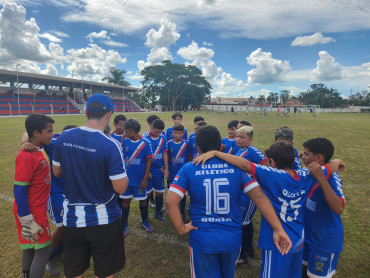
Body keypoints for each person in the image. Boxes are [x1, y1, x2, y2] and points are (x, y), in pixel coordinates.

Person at [193, 141, 345, 278]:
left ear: (272, 162)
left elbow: (245, 164)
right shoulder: (307, 175)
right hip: (298, 240)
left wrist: (215, 152)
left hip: (278, 243)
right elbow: (328, 167)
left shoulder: (273, 175)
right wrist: (337, 161)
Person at [167, 126, 292, 278]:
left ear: (198, 148)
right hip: (231, 238)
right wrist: (278, 228)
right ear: (221, 146)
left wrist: (180, 227)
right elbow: (260, 197)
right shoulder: (237, 168)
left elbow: (171, 201)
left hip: (203, 238)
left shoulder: (189, 168)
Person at [53, 94, 128, 278]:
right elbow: (120, 188)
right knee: (105, 272)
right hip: (104, 219)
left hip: (73, 218)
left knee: (73, 272)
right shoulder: (111, 144)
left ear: (86, 112)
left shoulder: (64, 136)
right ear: (109, 114)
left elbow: (57, 172)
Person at [21, 124, 78, 276]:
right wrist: (25, 142)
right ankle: (49, 256)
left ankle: (61, 250)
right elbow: (28, 134)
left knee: (71, 224)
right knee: (62, 227)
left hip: (70, 192)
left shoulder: (76, 143)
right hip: (55, 194)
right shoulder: (54, 141)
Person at [14, 113, 54, 278]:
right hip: (32, 213)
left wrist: (25, 140)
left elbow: (27, 134)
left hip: (33, 210)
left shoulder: (38, 147)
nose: (52, 134)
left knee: (30, 247)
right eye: (49, 131)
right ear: (36, 133)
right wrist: (26, 218)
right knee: (43, 251)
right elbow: (19, 189)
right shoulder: (26, 156)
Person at [300, 138, 345, 278]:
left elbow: (338, 208)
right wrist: (336, 162)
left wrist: (321, 178)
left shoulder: (331, 178)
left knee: (315, 275)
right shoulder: (309, 172)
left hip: (324, 241)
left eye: (306, 154)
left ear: (319, 158)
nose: (303, 157)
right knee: (303, 268)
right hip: (308, 234)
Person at [234, 125, 268, 264]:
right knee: (245, 222)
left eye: (242, 137)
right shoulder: (240, 150)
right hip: (241, 191)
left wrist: (257, 181)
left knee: (242, 223)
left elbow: (266, 166)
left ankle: (242, 255)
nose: (238, 139)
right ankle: (248, 249)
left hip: (249, 193)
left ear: (250, 139)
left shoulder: (253, 152)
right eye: (237, 136)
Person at [120, 118, 154, 236]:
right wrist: (122, 142)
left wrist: (145, 178)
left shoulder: (145, 143)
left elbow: (149, 160)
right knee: (125, 202)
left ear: (133, 131)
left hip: (140, 180)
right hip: (126, 180)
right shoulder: (125, 141)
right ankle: (124, 224)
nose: (124, 133)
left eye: (126, 130)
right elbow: (119, 155)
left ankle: (144, 221)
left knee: (143, 201)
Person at [143, 119, 168, 222]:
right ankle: (144, 217)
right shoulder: (145, 138)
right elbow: (143, 156)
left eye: (160, 132)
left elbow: (165, 153)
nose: (159, 134)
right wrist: (147, 171)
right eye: (156, 132)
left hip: (159, 170)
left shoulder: (163, 138)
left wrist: (166, 168)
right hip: (148, 171)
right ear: (151, 128)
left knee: (159, 192)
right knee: (147, 194)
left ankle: (158, 212)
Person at [167, 124, 191, 223]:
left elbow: (189, 157)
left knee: (183, 194)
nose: (176, 135)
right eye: (175, 132)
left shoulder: (186, 144)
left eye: (179, 133)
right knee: (172, 193)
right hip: (172, 173)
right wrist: (166, 169)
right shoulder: (168, 143)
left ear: (183, 133)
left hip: (183, 174)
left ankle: (182, 212)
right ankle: (172, 210)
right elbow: (167, 158)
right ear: (172, 132)